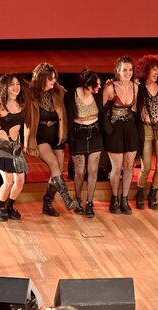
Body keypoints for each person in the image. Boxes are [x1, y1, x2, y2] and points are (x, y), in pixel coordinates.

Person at [25, 62, 77, 217]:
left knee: (57, 172)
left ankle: (47, 203)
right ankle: (66, 197)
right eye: (50, 79)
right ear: (41, 80)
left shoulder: (59, 91)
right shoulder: (30, 95)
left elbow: (76, 95)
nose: (53, 81)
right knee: (53, 163)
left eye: (54, 78)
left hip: (57, 135)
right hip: (39, 136)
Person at [0, 73, 29, 222]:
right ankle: (0, 208)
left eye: (17, 84)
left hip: (15, 146)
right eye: (12, 85)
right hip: (1, 146)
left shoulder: (22, 104)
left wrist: (26, 142)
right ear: (5, 88)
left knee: (20, 180)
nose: (16, 87)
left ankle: (9, 206)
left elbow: (26, 125)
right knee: (8, 181)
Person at [65, 68, 104, 218]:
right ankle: (78, 200)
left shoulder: (98, 94)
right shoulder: (72, 94)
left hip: (94, 133)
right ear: (89, 85)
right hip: (78, 134)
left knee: (93, 170)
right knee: (80, 171)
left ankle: (89, 203)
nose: (99, 87)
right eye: (97, 85)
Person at [103, 56, 139, 215]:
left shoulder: (136, 87)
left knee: (129, 167)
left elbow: (136, 110)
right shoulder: (111, 87)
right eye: (124, 70)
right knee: (116, 168)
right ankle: (114, 198)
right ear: (118, 70)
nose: (128, 73)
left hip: (130, 130)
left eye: (130, 70)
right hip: (115, 131)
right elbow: (100, 110)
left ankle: (124, 199)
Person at [135, 54, 158, 210]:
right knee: (146, 166)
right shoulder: (139, 87)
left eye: (157, 69)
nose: (156, 72)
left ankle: (153, 194)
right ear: (146, 71)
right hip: (146, 129)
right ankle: (140, 193)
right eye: (153, 70)